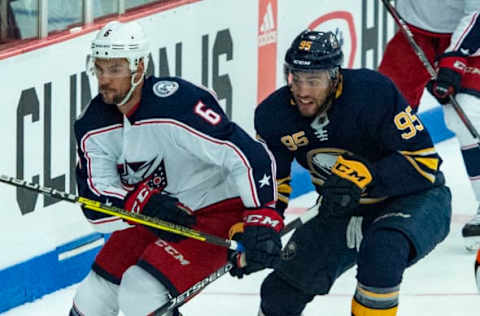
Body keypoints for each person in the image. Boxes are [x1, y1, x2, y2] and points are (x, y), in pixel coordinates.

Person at [70, 20, 283, 316]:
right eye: (100, 68)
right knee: (93, 297)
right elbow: (95, 204)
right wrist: (140, 204)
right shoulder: (93, 125)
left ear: (139, 68)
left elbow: (247, 154)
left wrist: (261, 220)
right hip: (155, 215)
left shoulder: (177, 104)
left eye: (115, 69)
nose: (104, 79)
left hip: (216, 210)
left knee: (140, 290)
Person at [252, 30, 451, 316]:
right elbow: (274, 183)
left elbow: (424, 163)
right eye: (295, 78)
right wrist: (261, 225)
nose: (303, 91)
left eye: (314, 80)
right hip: (341, 209)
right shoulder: (273, 116)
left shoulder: (374, 93)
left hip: (414, 199)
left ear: (335, 76)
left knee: (381, 254)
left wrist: (367, 175)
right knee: (280, 291)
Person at [378, 0, 480, 250]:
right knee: (382, 111)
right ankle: (375, 194)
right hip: (414, 32)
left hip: (468, 37)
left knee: (464, 116)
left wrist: (454, 59)